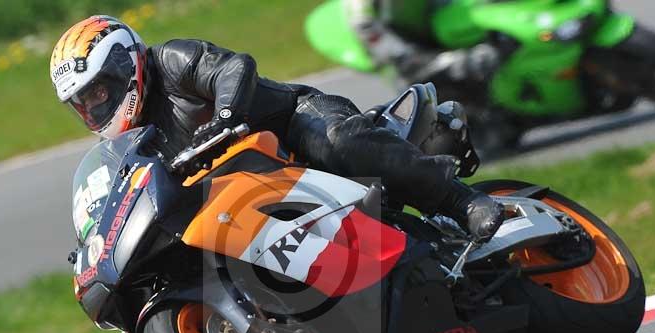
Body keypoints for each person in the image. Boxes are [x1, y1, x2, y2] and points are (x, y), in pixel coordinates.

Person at [50, 15, 502, 241]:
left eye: (99, 91)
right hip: (248, 192)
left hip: (292, 124)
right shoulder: (134, 143)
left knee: (337, 142)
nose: (95, 105)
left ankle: (461, 202)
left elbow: (233, 69)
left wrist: (226, 116)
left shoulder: (169, 60)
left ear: (124, 64)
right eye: (82, 103)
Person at [345, 0, 499, 86]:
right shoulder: (360, 9)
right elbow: (366, 28)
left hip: (447, 25)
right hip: (417, 56)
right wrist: (448, 63)